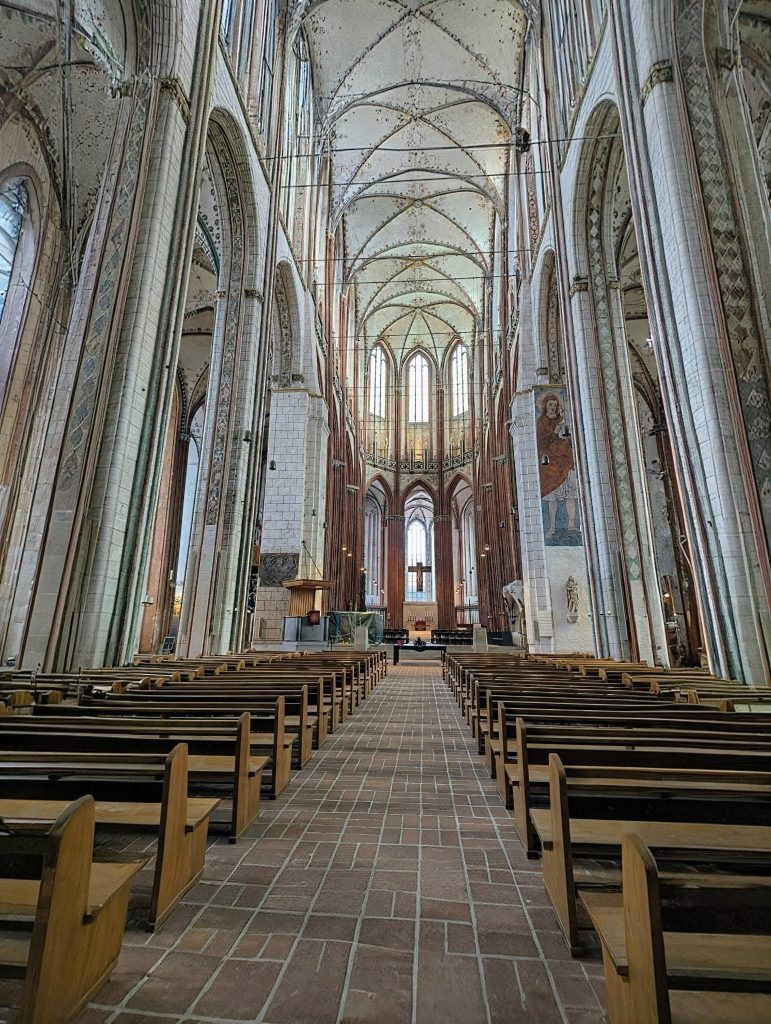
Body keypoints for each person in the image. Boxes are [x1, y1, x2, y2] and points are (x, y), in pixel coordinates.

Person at [536, 393, 579, 539]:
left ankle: (572, 524)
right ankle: (552, 527)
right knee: (552, 497)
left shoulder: (562, 419)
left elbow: (570, 436)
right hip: (551, 465)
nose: (553, 407)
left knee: (571, 494)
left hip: (566, 461)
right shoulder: (541, 421)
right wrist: (556, 430)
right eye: (550, 405)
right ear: (545, 406)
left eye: (555, 405)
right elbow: (543, 443)